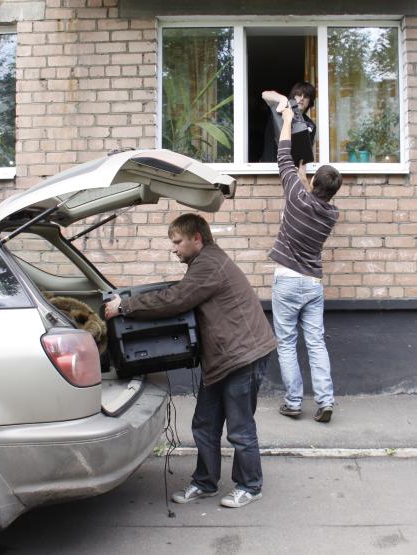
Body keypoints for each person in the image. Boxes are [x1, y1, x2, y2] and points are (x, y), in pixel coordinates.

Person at [105, 213, 277, 508]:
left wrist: (125, 307)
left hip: (242, 355)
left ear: (196, 238)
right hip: (224, 358)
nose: (174, 248)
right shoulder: (204, 262)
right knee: (205, 424)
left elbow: (175, 299)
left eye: (177, 242)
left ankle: (250, 485)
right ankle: (205, 482)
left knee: (239, 427)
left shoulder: (208, 264)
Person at [269, 101, 342, 423]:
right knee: (315, 343)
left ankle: (294, 403)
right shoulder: (331, 214)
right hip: (313, 284)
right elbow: (310, 196)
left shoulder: (298, 197)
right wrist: (305, 179)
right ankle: (325, 401)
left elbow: (283, 156)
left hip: (287, 280)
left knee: (286, 344)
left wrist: (286, 119)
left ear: (312, 185)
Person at [260, 81, 316, 162]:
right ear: (293, 96)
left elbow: (304, 154)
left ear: (310, 101)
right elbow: (264, 94)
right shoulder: (279, 110)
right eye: (299, 94)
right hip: (269, 167)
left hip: (291, 169)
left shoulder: (310, 125)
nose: (302, 98)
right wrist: (283, 99)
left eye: (306, 96)